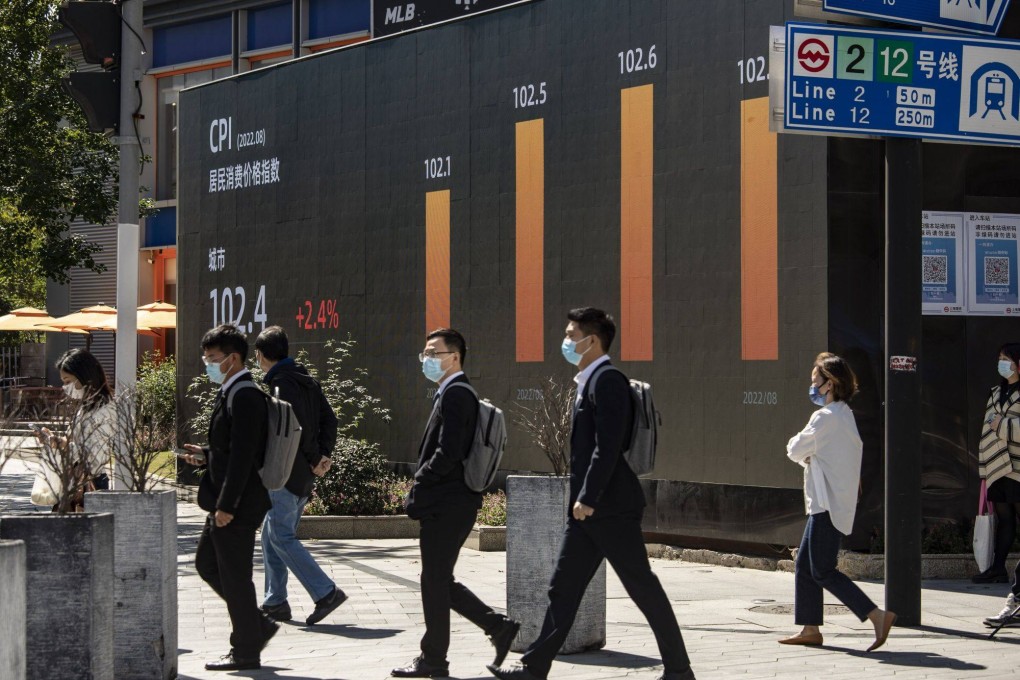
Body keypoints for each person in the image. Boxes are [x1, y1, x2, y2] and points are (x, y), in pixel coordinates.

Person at [488, 308, 694, 680]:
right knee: (562, 588)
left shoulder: (608, 381)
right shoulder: (590, 380)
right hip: (589, 511)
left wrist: (589, 497)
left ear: (592, 340)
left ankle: (679, 670)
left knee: (642, 588)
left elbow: (607, 446)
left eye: (571, 334)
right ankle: (534, 668)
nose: (565, 341)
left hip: (608, 508)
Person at [393, 328, 520, 678]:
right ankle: (496, 627)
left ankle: (435, 659)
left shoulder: (456, 395)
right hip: (452, 501)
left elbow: (448, 453)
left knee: (434, 579)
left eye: (434, 353)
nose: (427, 359)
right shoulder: (450, 393)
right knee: (437, 579)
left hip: (449, 502)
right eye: (425, 353)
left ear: (455, 357)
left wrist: (420, 481)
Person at [781, 352, 895, 651]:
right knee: (805, 566)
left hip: (826, 505)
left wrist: (807, 454)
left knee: (822, 570)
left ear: (829, 383)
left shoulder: (825, 418)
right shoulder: (845, 415)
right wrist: (812, 455)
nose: (812, 386)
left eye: (815, 381)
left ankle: (876, 615)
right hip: (832, 503)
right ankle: (810, 629)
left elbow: (794, 448)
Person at [180, 324, 277, 671]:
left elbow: (243, 457)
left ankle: (246, 650)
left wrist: (226, 506)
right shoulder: (231, 390)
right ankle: (257, 626)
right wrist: (207, 454)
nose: (207, 363)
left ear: (233, 358)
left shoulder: (246, 394)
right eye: (206, 357)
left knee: (235, 576)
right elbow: (231, 448)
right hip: (227, 499)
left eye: (212, 358)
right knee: (207, 565)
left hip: (237, 503)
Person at [254, 326, 347, 626]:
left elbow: (293, 428)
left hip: (288, 472)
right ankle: (275, 601)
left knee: (280, 535)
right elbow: (328, 419)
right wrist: (324, 455)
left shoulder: (281, 383)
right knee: (271, 534)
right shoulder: (307, 380)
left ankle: (326, 593)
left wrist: (313, 457)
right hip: (304, 473)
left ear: (260, 355)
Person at [36, 349, 116, 510]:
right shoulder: (86, 407)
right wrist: (53, 440)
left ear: (84, 376)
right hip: (77, 479)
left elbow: (94, 455)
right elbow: (72, 441)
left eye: (67, 381)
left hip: (88, 481)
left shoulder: (105, 410)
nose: (65, 387)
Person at [975, 343, 1020, 629]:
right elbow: (985, 426)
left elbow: (999, 424)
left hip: (1017, 466)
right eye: (999, 359)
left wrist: (1000, 424)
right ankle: (996, 568)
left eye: (1006, 359)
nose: (1001, 364)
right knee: (1004, 519)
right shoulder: (995, 391)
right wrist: (984, 467)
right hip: (996, 466)